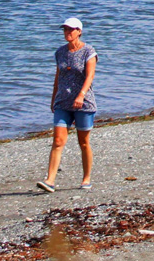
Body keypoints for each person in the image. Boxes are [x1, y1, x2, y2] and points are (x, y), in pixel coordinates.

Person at [37, 17, 97, 193]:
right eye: (65, 29)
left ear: (79, 31)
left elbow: (90, 77)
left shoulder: (89, 52)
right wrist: (53, 98)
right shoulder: (60, 52)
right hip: (63, 101)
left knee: (83, 142)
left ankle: (86, 178)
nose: (67, 33)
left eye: (71, 29)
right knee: (57, 141)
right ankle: (50, 180)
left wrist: (81, 95)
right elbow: (58, 77)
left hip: (83, 103)